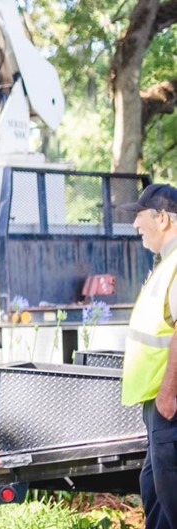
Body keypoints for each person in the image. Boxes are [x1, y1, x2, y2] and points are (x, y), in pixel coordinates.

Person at [119, 183, 177, 529]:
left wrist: (168, 395)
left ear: (164, 218)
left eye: (140, 216)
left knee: (171, 495)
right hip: (158, 404)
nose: (135, 225)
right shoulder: (165, 263)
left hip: (168, 405)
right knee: (155, 493)